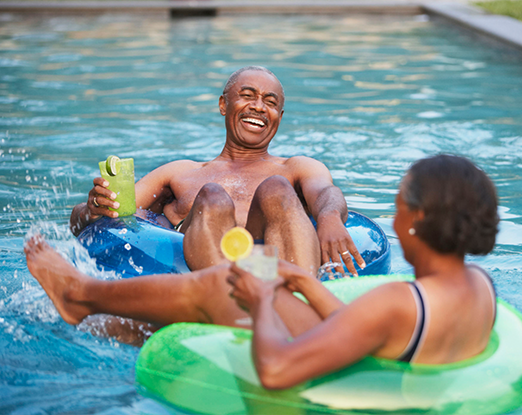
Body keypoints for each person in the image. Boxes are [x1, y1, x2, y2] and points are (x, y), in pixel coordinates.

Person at [226, 154, 500, 389]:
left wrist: (260, 300)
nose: (394, 221)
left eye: (398, 208)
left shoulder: (399, 301)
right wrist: (303, 281)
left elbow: (275, 372)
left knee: (216, 287)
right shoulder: (481, 283)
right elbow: (367, 326)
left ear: (417, 218)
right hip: (420, 398)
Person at [70, 65, 364, 276]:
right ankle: (225, 302)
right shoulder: (179, 173)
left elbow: (326, 193)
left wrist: (328, 219)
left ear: (279, 116)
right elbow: (103, 215)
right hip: (197, 271)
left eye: (270, 102)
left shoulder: (297, 168)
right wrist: (94, 208)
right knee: (211, 196)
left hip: (278, 266)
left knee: (276, 188)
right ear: (224, 104)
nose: (259, 107)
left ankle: (298, 303)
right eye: (248, 95)